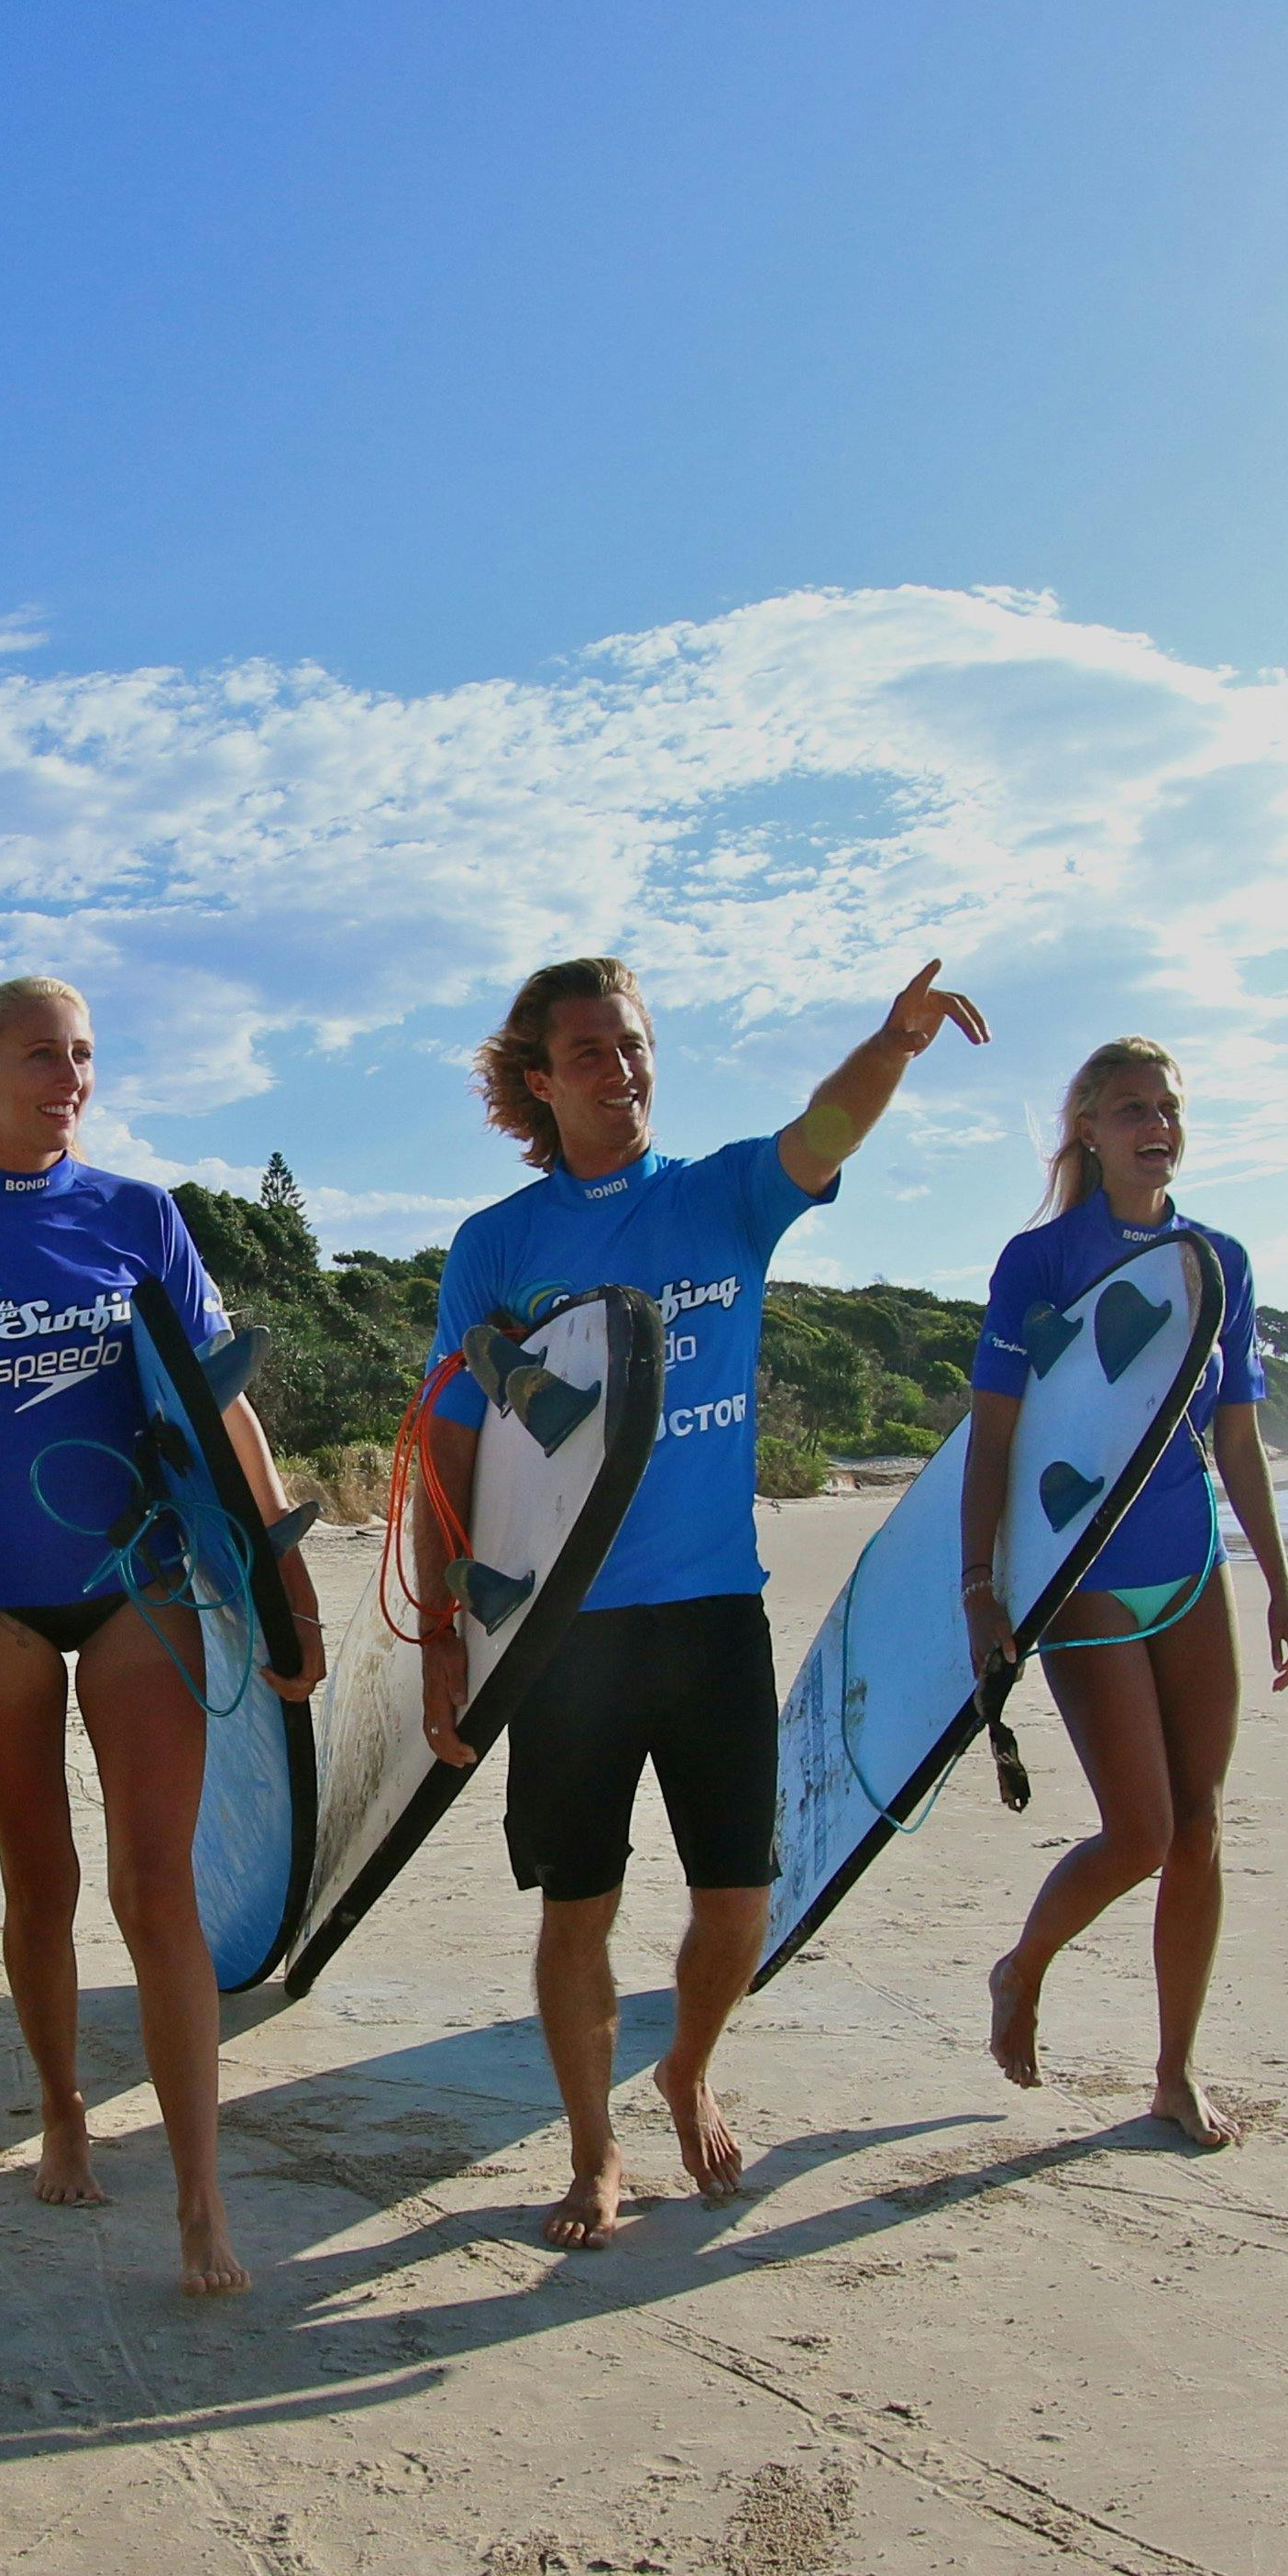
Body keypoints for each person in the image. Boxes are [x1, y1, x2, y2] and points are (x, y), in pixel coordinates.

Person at [417, 954, 987, 2247]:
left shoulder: (725, 1196)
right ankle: (592, 2150)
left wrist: (892, 1043)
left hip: (713, 1607)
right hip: (564, 1630)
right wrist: (440, 1633)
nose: (620, 1070)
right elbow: (449, 1445)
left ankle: (684, 2063)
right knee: (581, 1904)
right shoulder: (498, 1248)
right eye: (590, 1052)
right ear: (537, 1080)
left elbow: (821, 1131)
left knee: (738, 1899)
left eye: (633, 1044)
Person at [0, 978, 324, 2298]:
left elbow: (226, 1410)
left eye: (85, 1057)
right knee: (41, 1882)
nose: (70, 1077)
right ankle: (61, 2107)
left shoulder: (140, 1216)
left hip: (141, 1580)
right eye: (44, 1056)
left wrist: (286, 1580)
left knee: (153, 1889)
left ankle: (196, 2192)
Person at [963, 1038, 1288, 2150]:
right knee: (1143, 1831)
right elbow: (997, 1434)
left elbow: (1237, 1440)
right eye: (1128, 1109)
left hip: (1189, 1564)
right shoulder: (1041, 1262)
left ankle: (1172, 2071)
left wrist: (1278, 1585)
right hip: (1084, 1576)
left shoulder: (1219, 1263)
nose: (1154, 1124)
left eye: (1166, 1107)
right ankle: (1026, 1963)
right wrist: (981, 1583)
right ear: (1089, 1131)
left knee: (1201, 1827)